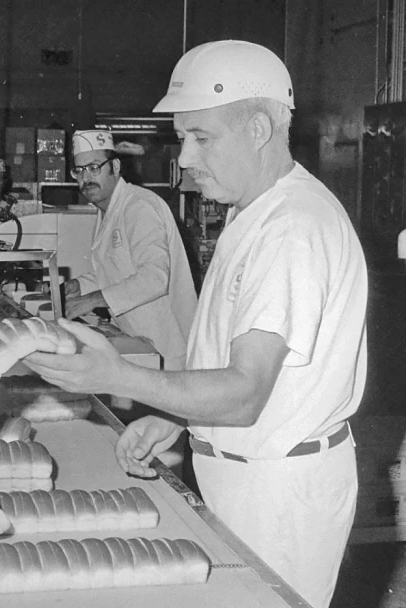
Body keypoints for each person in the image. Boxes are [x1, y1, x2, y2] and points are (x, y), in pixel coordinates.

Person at [24, 40, 367, 608]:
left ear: (258, 129)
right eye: (184, 137)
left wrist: (118, 377)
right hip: (246, 474)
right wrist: (179, 420)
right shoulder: (251, 212)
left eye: (200, 138)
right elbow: (246, 371)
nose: (183, 158)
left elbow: (246, 393)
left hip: (277, 494)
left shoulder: (292, 229)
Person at [64, 129, 197, 371]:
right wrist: (79, 287)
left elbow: (155, 278)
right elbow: (119, 269)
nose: (86, 178)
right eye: (79, 171)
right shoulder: (107, 209)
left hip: (166, 351)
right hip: (141, 343)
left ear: (115, 167)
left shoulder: (139, 207)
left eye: (94, 167)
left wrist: (92, 300)